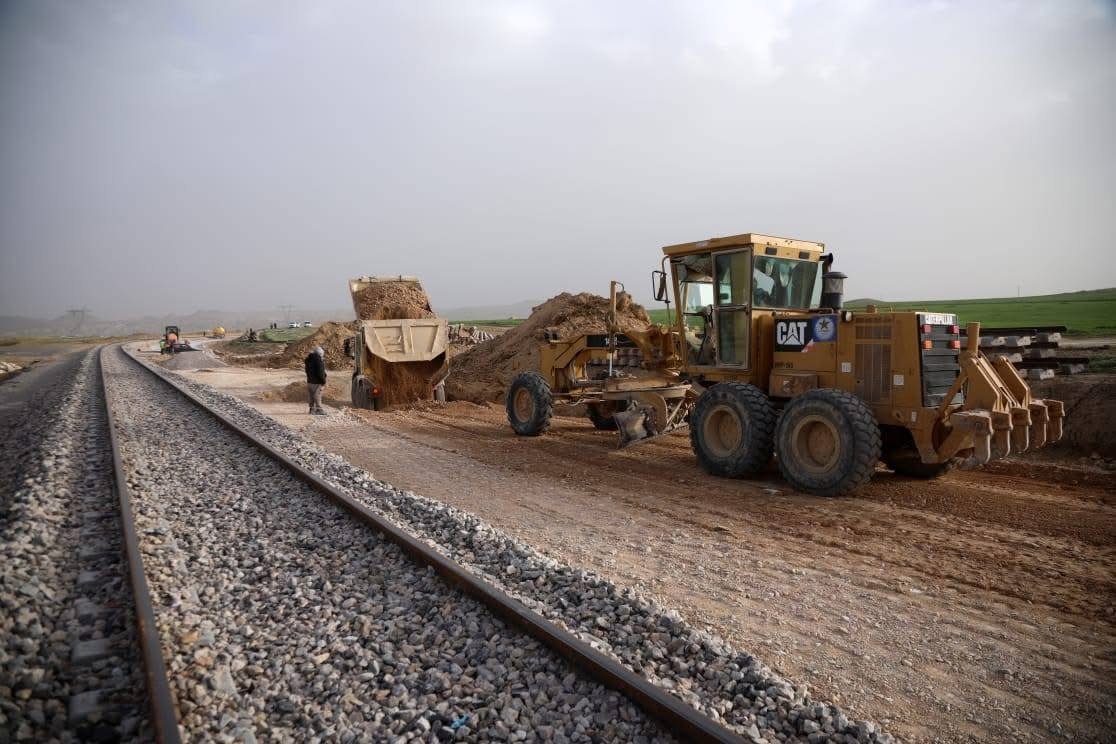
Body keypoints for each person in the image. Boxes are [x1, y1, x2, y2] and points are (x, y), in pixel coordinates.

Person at [304, 345, 327, 415]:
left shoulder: (308, 360)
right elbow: (320, 372)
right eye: (322, 354)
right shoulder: (318, 361)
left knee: (311, 396)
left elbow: (306, 371)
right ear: (320, 353)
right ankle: (319, 410)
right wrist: (323, 381)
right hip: (317, 382)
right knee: (318, 395)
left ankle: (311, 409)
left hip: (309, 381)